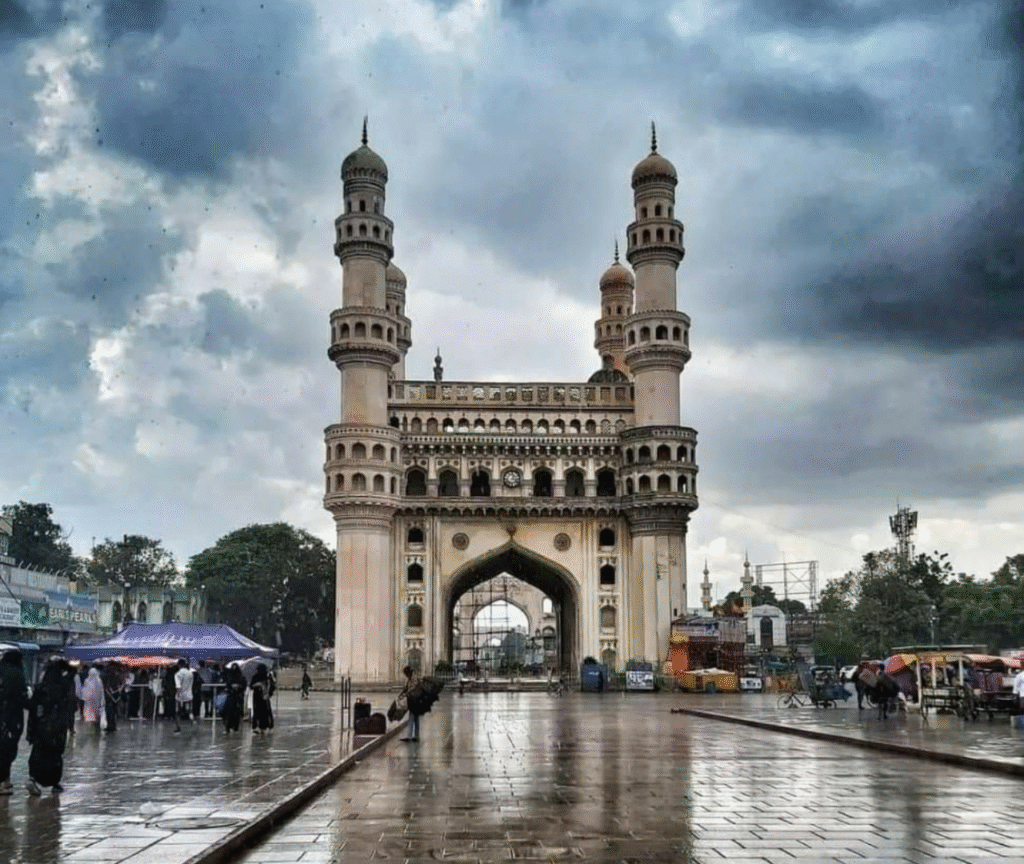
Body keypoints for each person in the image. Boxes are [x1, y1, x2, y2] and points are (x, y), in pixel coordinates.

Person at [26, 658, 75, 795]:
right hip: (57, 729)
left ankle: (33, 778)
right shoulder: (63, 685)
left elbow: (33, 708)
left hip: (41, 727)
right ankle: (54, 783)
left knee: (38, 754)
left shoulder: (41, 687)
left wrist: (32, 729)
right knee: (54, 756)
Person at [0, 650, 28, 795]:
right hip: (11, 717)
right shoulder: (17, 673)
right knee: (7, 748)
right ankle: (4, 780)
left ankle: (5, 780)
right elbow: (21, 696)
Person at [399, 665, 423, 742]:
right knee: (415, 719)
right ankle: (416, 736)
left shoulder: (414, 679)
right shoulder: (409, 680)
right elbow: (406, 688)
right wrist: (401, 694)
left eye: (406, 673)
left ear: (409, 673)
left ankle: (410, 737)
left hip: (416, 700)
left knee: (412, 718)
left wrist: (405, 694)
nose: (406, 675)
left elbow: (413, 689)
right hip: (412, 700)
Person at [222, 663, 246, 734]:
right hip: (230, 697)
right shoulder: (229, 677)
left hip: (237, 697)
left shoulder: (241, 677)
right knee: (228, 712)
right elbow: (227, 685)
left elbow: (243, 686)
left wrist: (238, 687)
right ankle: (227, 727)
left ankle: (235, 727)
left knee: (236, 713)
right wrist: (231, 687)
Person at [80, 666, 105, 732]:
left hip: (89, 702)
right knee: (97, 715)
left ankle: (91, 729)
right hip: (96, 701)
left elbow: (84, 691)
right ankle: (96, 729)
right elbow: (101, 691)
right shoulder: (99, 681)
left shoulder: (87, 680)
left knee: (90, 716)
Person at [250, 664, 273, 734]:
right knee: (257, 711)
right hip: (257, 696)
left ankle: (263, 727)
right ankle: (258, 726)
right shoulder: (255, 677)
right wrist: (257, 685)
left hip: (264, 696)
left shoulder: (267, 677)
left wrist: (268, 694)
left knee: (264, 712)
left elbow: (271, 687)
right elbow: (251, 686)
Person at [173, 659, 194, 733]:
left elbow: (178, 687)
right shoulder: (190, 673)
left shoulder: (177, 674)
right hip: (189, 695)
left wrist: (178, 696)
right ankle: (192, 724)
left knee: (177, 712)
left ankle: (178, 728)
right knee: (190, 711)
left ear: (179, 665)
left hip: (180, 696)